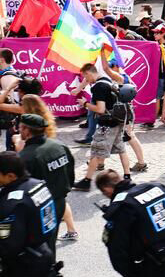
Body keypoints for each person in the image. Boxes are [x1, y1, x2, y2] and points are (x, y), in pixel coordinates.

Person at [16, 113, 74, 252]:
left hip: (40, 209)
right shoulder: (60, 145)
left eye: (20, 128)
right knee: (50, 242)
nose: (18, 130)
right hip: (59, 202)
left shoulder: (26, 157)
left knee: (38, 248)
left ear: (27, 130)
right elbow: (70, 174)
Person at [71, 63, 131, 191]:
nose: (86, 81)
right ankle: (127, 177)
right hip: (118, 121)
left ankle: (86, 181)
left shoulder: (98, 86)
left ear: (88, 73)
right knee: (121, 149)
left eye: (85, 77)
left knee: (95, 151)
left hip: (107, 124)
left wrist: (85, 103)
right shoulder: (107, 80)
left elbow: (100, 109)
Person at [104, 57, 148, 173]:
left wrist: (102, 53)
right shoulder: (122, 76)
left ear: (116, 66)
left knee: (129, 136)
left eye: (111, 66)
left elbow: (105, 69)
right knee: (110, 135)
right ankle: (98, 161)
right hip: (121, 111)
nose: (109, 68)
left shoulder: (120, 77)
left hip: (124, 111)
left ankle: (141, 162)